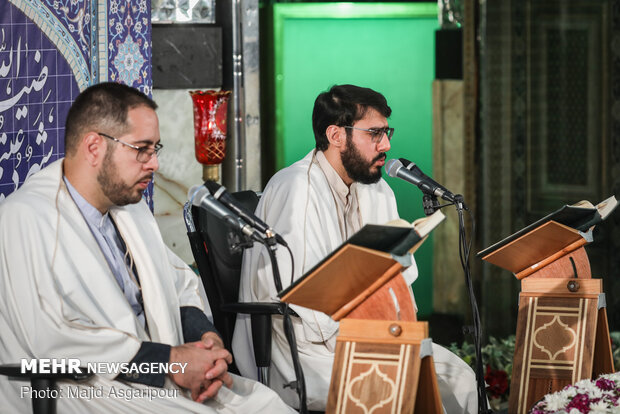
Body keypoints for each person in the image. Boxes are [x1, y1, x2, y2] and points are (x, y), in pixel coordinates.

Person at [0, 82, 294, 413]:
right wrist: (174, 362)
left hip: (155, 378)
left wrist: (207, 343)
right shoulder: (25, 217)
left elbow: (178, 286)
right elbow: (52, 340)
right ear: (94, 147)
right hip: (78, 391)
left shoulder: (129, 209)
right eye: (142, 148)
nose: (154, 164)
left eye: (156, 148)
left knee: (267, 404)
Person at [233, 84, 479, 412]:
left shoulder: (376, 190)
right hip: (303, 347)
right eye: (375, 133)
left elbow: (401, 275)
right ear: (336, 135)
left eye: (387, 132)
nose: (387, 144)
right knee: (397, 381)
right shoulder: (297, 190)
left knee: (461, 378)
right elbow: (305, 298)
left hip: (365, 333)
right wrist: (371, 333)